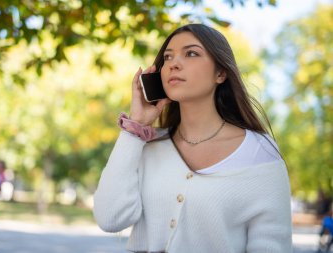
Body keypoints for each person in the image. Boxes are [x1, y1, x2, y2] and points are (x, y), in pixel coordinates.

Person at [93, 24, 292, 252]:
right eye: (168, 57)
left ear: (221, 73)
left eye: (191, 53)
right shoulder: (145, 144)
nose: (174, 64)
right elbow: (110, 218)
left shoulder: (260, 152)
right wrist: (135, 126)